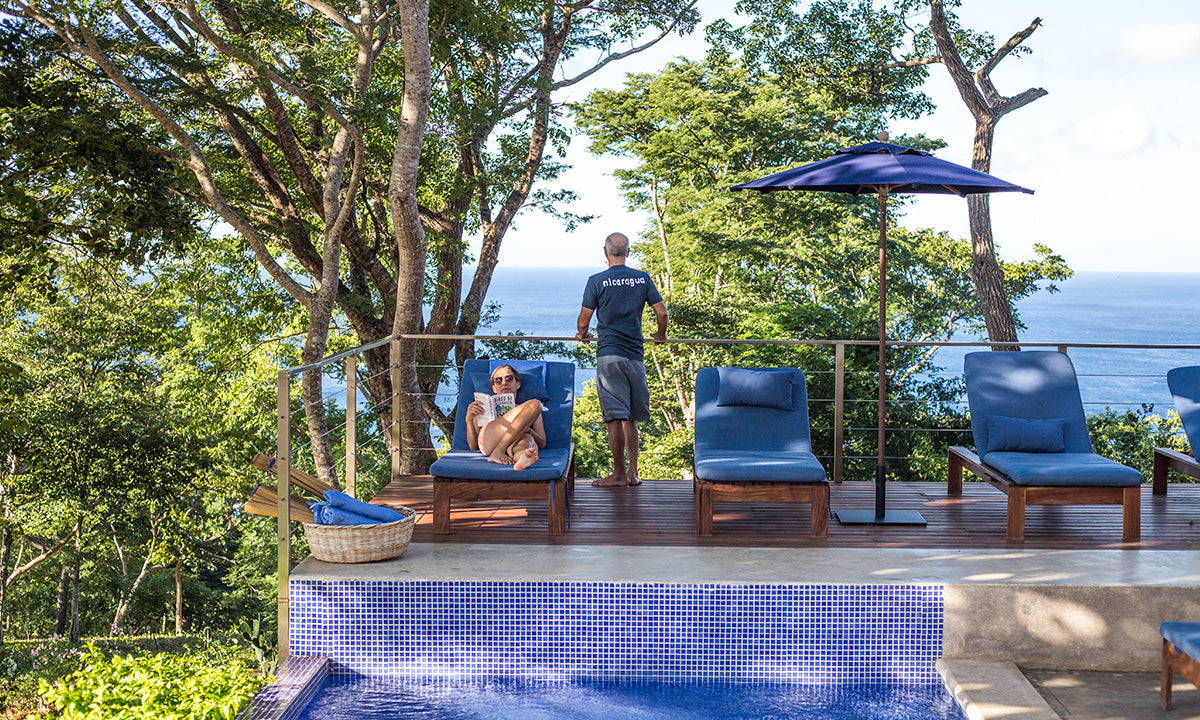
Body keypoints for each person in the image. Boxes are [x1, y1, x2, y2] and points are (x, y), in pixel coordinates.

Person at [576, 232, 668, 488]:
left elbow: (584, 322)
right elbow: (661, 312)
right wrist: (660, 336)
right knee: (631, 418)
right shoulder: (642, 278)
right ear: (628, 252)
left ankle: (617, 474)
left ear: (605, 253)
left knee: (614, 417)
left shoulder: (596, 281)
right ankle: (633, 475)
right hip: (635, 356)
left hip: (609, 355)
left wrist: (583, 335)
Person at [465, 364, 546, 471]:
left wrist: (528, 430)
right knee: (535, 404)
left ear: (517, 384)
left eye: (509, 378)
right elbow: (473, 447)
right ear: (494, 388)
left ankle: (521, 458)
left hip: (515, 443)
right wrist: (469, 420)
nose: (504, 383)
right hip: (489, 441)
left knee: (526, 441)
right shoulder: (483, 408)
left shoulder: (531, 412)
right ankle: (498, 451)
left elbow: (542, 443)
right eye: (498, 380)